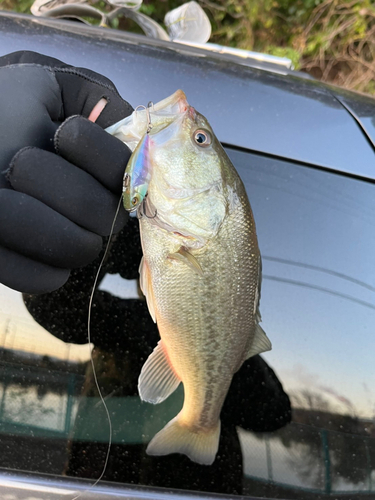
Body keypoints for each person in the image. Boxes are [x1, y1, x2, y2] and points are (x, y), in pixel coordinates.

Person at [0, 51, 291, 495]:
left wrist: (224, 371)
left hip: (199, 486)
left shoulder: (228, 337)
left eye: (197, 142)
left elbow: (275, 412)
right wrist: (92, 262)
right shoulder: (121, 323)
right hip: (99, 474)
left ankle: (195, 429)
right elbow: (61, 313)